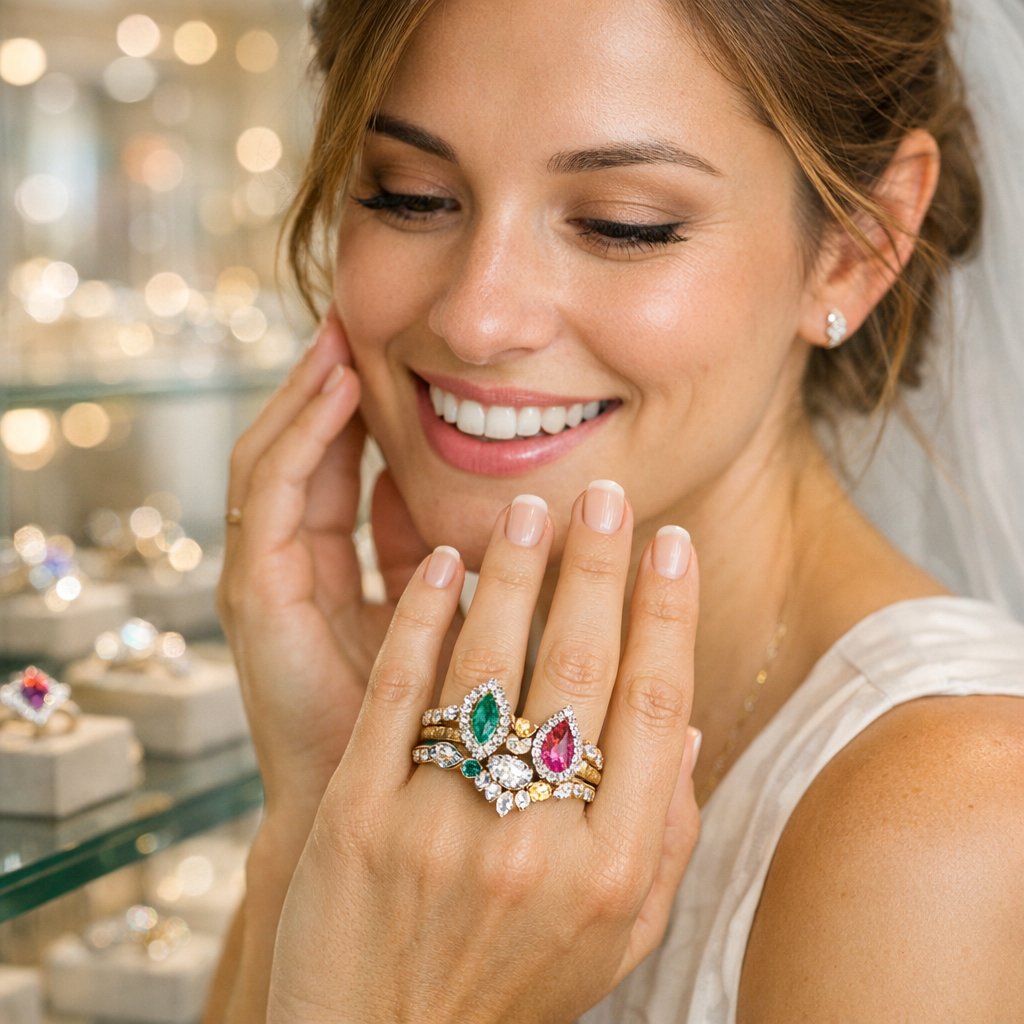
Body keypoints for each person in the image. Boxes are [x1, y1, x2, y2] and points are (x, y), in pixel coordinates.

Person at [206, 0, 1024, 1020]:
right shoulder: (466, 715)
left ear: (858, 245)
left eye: (620, 225)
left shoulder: (949, 821)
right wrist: (321, 814)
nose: (475, 313)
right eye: (408, 196)